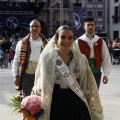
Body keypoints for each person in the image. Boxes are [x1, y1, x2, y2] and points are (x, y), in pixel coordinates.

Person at [33, 25, 104, 120]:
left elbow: (86, 83)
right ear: (56, 39)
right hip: (55, 104)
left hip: (76, 104)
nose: (66, 41)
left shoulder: (80, 59)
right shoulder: (47, 58)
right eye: (63, 37)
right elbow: (40, 82)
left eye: (70, 38)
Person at [12, 19, 48, 98]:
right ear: (29, 28)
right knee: (27, 98)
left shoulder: (46, 43)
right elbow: (16, 60)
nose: (34, 28)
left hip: (41, 75)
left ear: (40, 28)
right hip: (27, 74)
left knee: (40, 98)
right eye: (32, 26)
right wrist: (15, 76)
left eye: (36, 26)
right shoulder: (21, 42)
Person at [76, 17, 112, 89]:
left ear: (95, 26)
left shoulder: (100, 41)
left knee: (95, 94)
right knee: (83, 95)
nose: (90, 27)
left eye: (92, 25)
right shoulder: (78, 41)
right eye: (88, 25)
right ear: (84, 26)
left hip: (96, 72)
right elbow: (74, 58)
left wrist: (106, 74)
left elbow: (106, 58)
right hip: (83, 72)